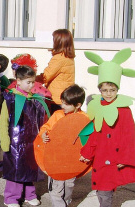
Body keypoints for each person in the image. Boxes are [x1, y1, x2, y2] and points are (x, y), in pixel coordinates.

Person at [79, 48, 135, 207]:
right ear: (100, 90)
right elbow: (95, 132)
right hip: (102, 154)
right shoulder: (99, 106)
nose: (109, 93)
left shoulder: (124, 109)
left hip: (114, 156)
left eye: (112, 90)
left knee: (106, 190)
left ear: (118, 90)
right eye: (105, 90)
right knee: (100, 188)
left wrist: (124, 159)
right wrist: (88, 152)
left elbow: (129, 135)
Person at [0, 65, 48, 207]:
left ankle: (29, 194)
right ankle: (11, 198)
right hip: (15, 142)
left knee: (30, 168)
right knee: (16, 169)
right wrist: (5, 141)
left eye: (33, 82)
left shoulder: (35, 100)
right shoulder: (10, 98)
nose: (31, 85)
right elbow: (3, 121)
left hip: (31, 142)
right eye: (28, 82)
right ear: (18, 81)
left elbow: (40, 121)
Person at [38, 84, 87, 207]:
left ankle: (65, 202)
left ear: (78, 105)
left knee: (68, 187)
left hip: (72, 162)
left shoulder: (84, 119)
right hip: (56, 161)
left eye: (66, 104)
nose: (62, 106)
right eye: (62, 102)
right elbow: (46, 128)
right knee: (56, 190)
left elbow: (89, 140)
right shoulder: (58, 115)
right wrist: (44, 134)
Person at [38, 29, 75, 113]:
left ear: (58, 42)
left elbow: (46, 76)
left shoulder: (59, 58)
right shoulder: (68, 56)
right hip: (65, 96)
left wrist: (31, 79)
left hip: (56, 99)